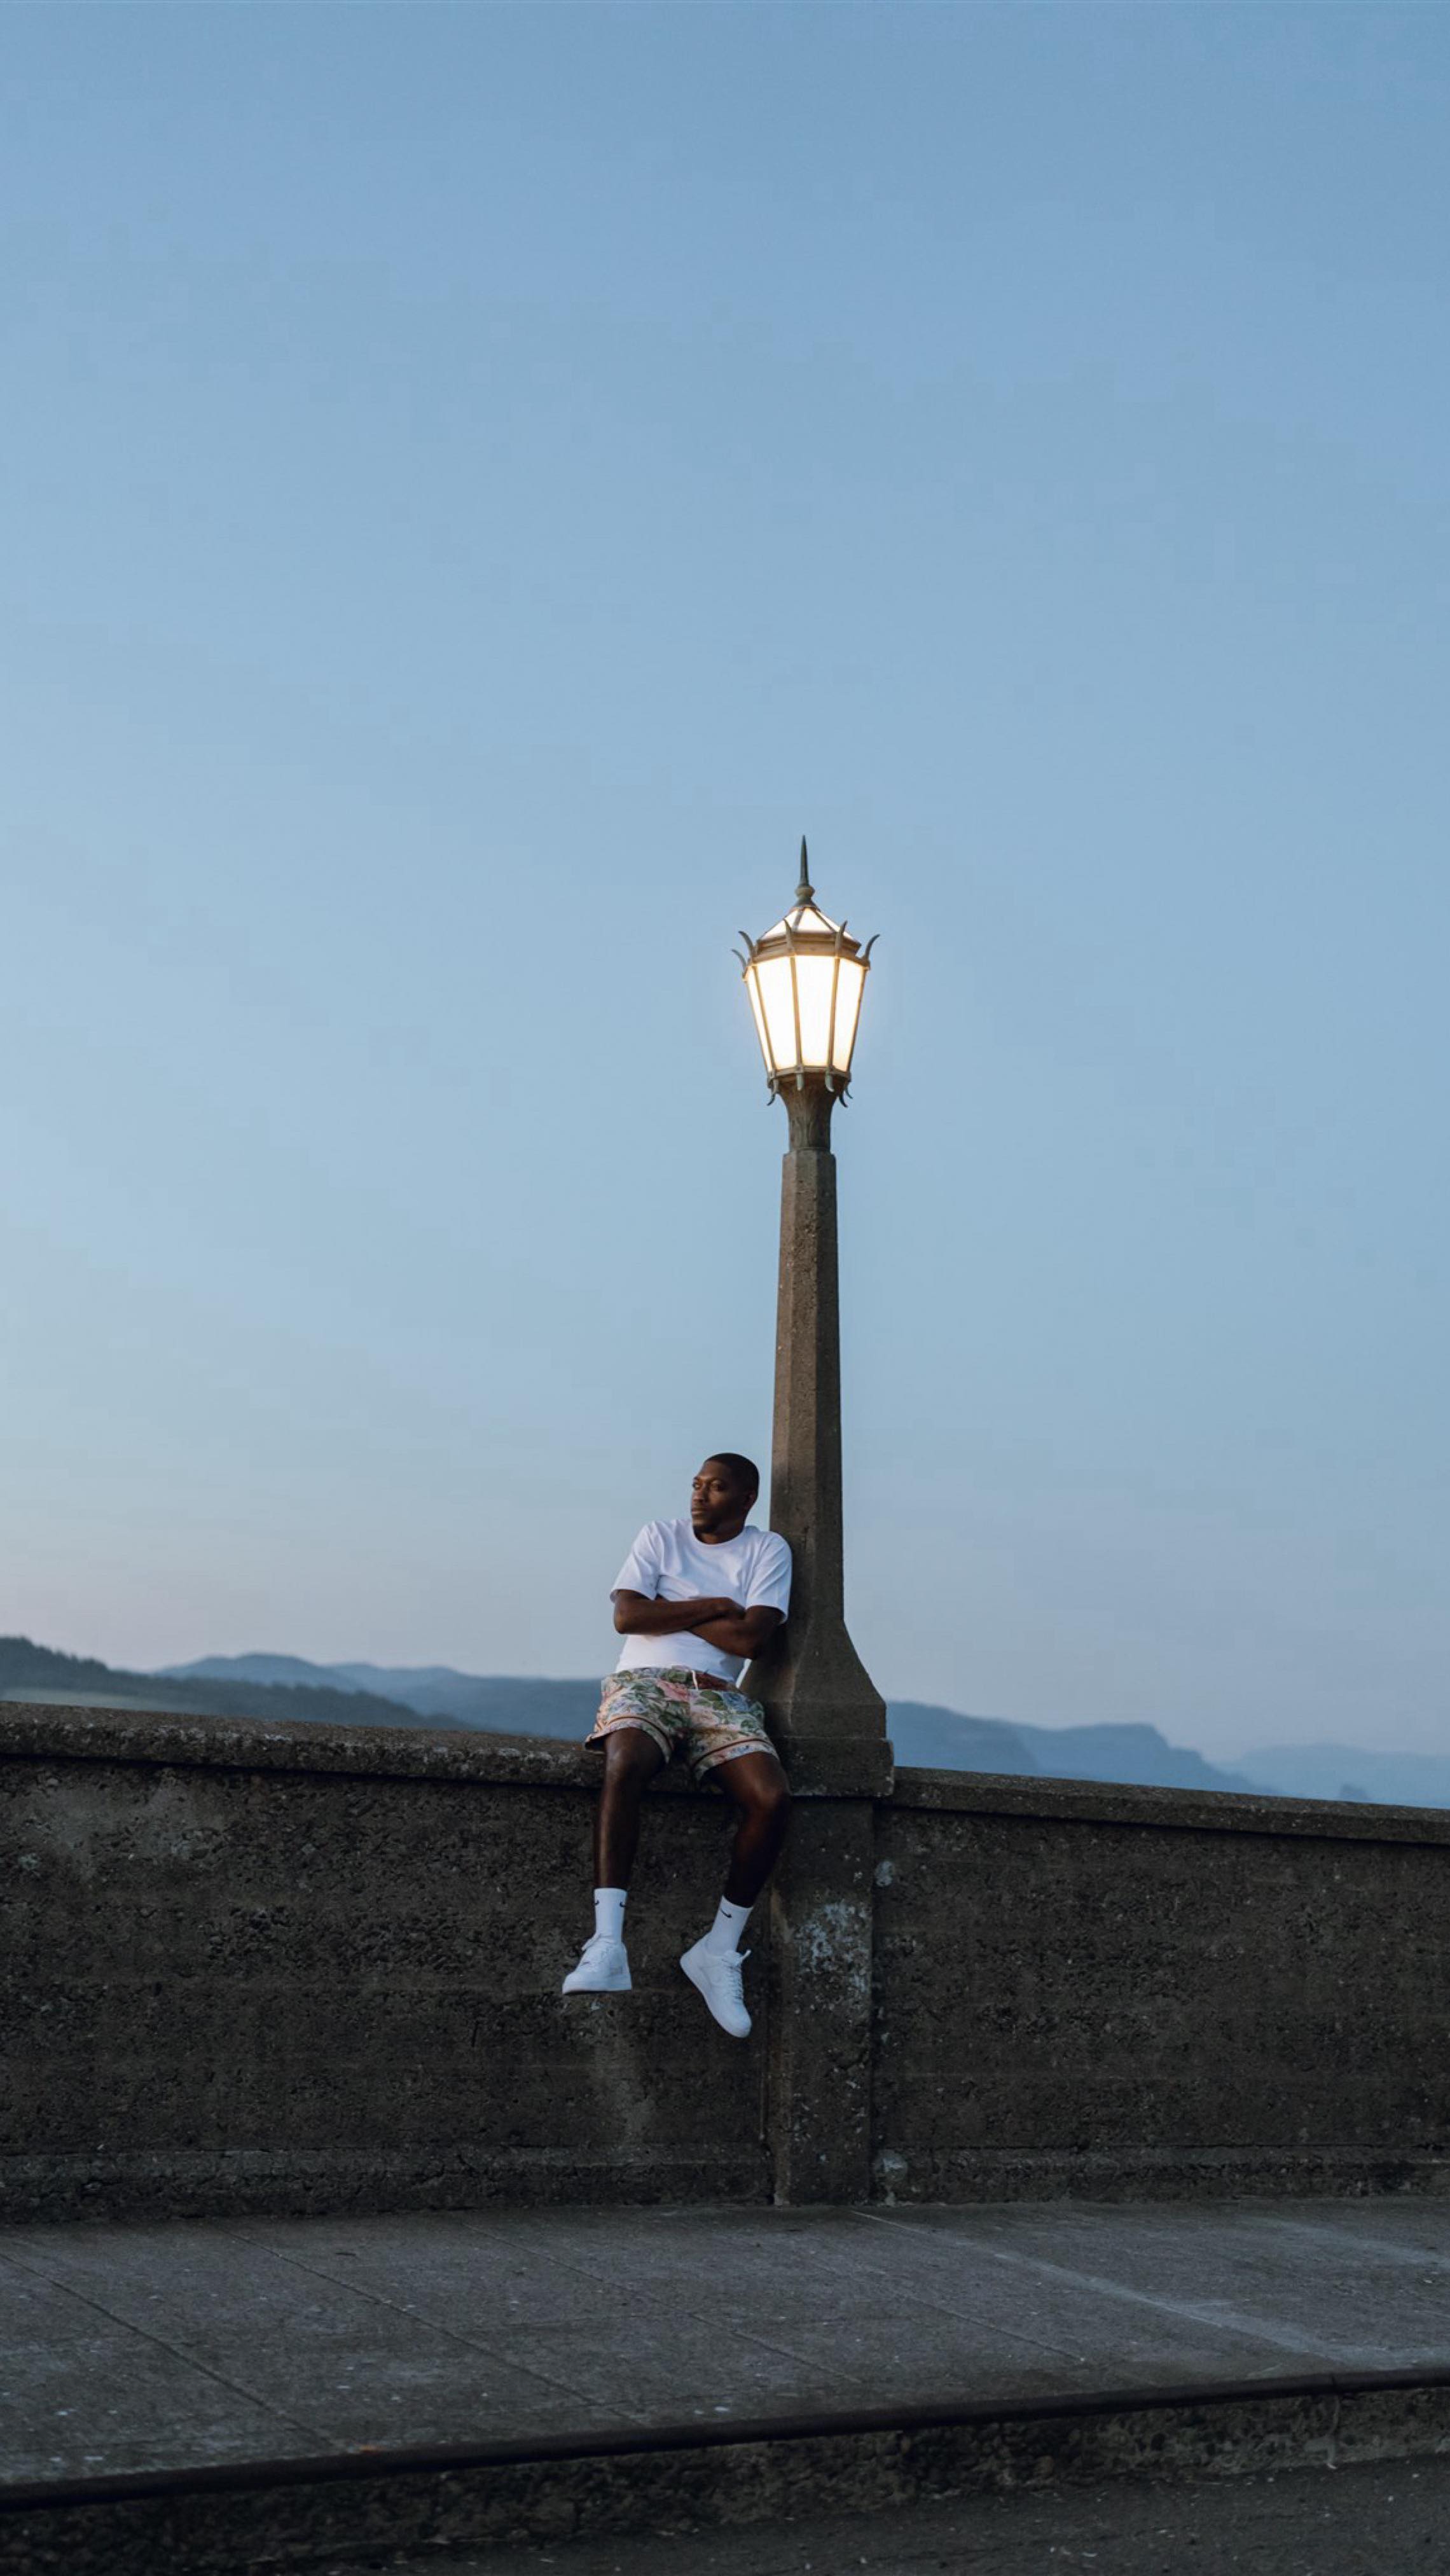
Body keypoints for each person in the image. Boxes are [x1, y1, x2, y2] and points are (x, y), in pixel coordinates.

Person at [561, 1453, 792, 2039]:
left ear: (745, 1499)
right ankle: (608, 1942)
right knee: (627, 1759)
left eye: (715, 1488)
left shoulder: (768, 1552)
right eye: (696, 1485)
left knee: (770, 1798)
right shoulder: (659, 1536)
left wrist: (667, 1612)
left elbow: (752, 1640)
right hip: (644, 1682)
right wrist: (716, 1604)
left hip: (718, 1695)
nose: (699, 1495)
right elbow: (627, 1617)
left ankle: (717, 1951)